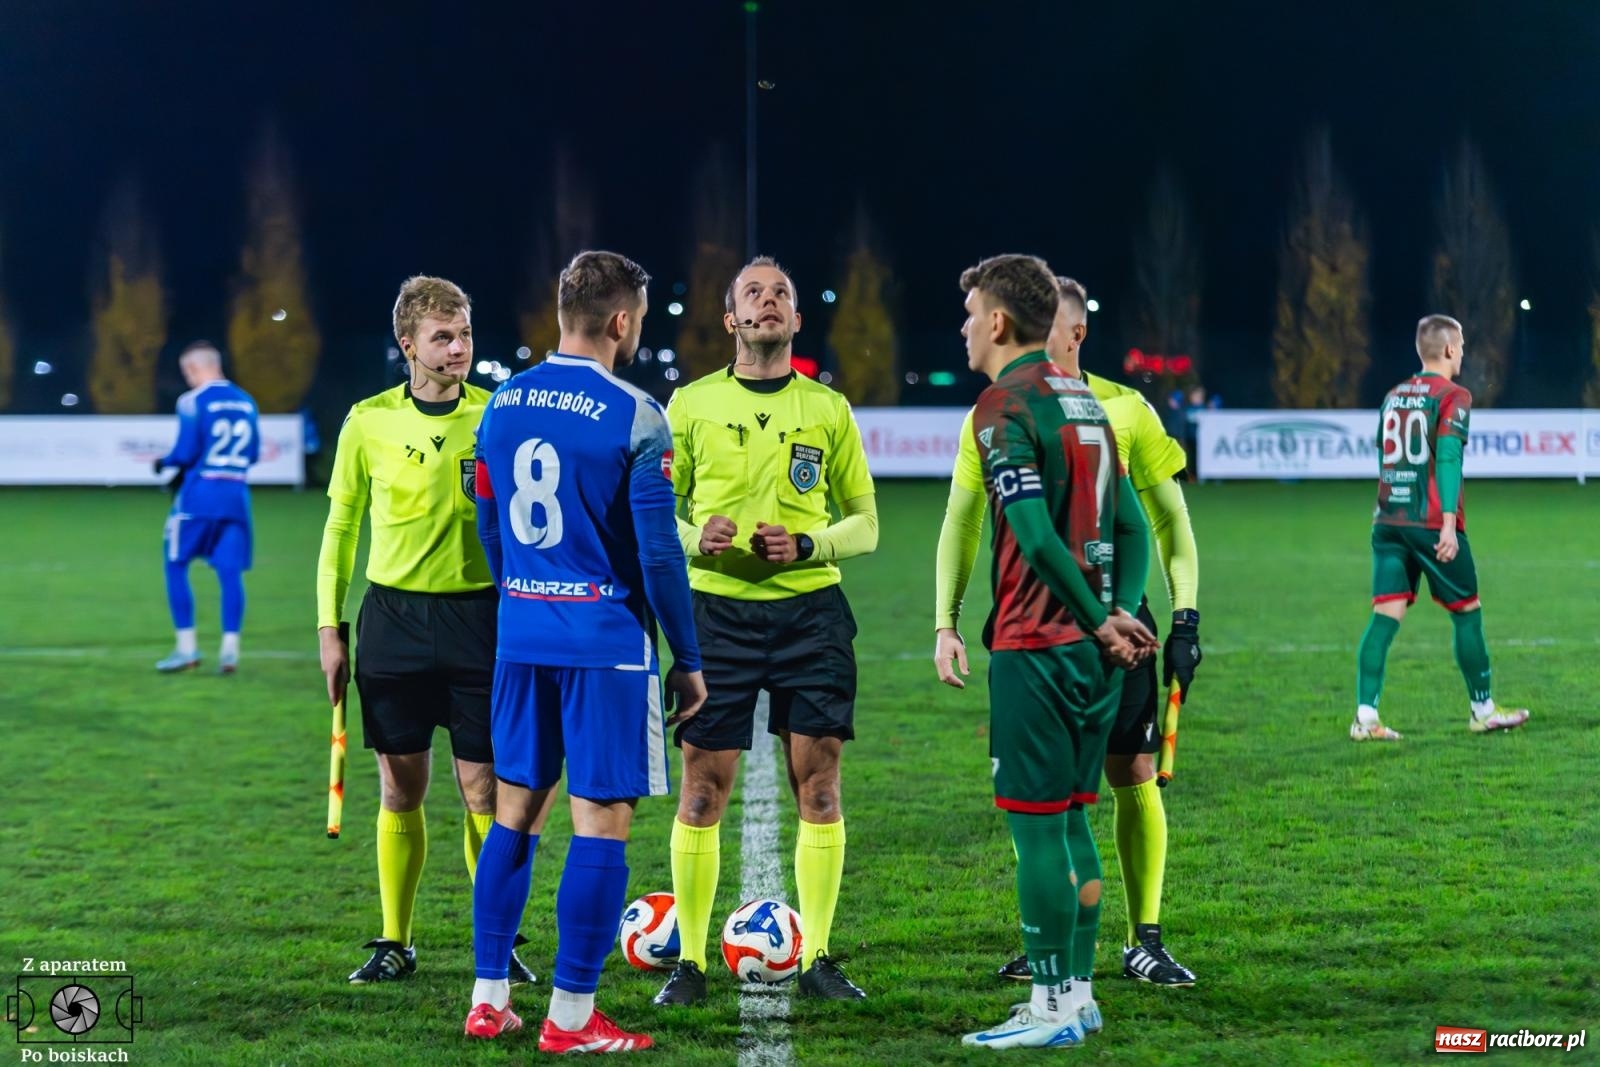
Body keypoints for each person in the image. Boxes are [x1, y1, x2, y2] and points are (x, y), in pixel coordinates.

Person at [462, 250, 706, 1053]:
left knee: (514, 813)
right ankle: (570, 1016)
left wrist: (521, 597)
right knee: (600, 822)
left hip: (522, 634)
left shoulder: (500, 403)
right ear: (621, 321)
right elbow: (661, 554)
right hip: (604, 643)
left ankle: (489, 995)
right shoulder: (636, 413)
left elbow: (491, 525)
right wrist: (688, 655)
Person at [936, 276, 1203, 993]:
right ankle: (1072, 986)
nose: (962, 329)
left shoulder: (1021, 404)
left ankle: (1070, 983)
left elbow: (1054, 533)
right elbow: (1130, 526)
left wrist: (1134, 614)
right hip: (1101, 635)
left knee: (1055, 814)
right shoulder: (1090, 409)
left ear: (1000, 323)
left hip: (1047, 636)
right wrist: (1112, 613)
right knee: (1074, 817)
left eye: (968, 316)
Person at [652, 256, 878, 1006]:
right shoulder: (688, 405)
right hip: (714, 615)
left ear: (796, 318)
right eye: (753, 292)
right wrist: (694, 536)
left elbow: (867, 522)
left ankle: (816, 956)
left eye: (781, 291)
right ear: (730, 319)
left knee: (819, 786)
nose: (769, 301)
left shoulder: (829, 409)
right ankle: (689, 961)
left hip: (810, 614)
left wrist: (810, 544)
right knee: (701, 792)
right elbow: (658, 511)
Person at [316, 275, 534, 986]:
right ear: (408, 344)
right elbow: (341, 529)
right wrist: (330, 626)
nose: (459, 347)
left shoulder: (498, 414)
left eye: (465, 333)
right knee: (399, 788)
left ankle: (495, 943)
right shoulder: (367, 421)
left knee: (484, 791)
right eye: (443, 336)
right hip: (393, 621)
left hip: (480, 619)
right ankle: (395, 941)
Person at [1350, 314, 1530, 740]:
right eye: (1462, 345)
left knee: (1384, 618)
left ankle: (1365, 719)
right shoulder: (1453, 395)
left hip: (1389, 521)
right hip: (1430, 523)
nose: (1463, 352)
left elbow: (1385, 459)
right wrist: (1449, 524)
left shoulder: (1393, 396)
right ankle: (1483, 711)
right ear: (1449, 349)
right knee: (1467, 612)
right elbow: (1449, 458)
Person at [154, 341, 260, 674]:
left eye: (188, 371)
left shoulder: (192, 401)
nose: (188, 378)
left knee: (175, 564)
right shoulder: (246, 401)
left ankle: (187, 650)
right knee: (230, 574)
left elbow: (185, 452)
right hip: (236, 497)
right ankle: (230, 652)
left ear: (195, 368)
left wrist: (163, 462)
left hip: (198, 497)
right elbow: (253, 453)